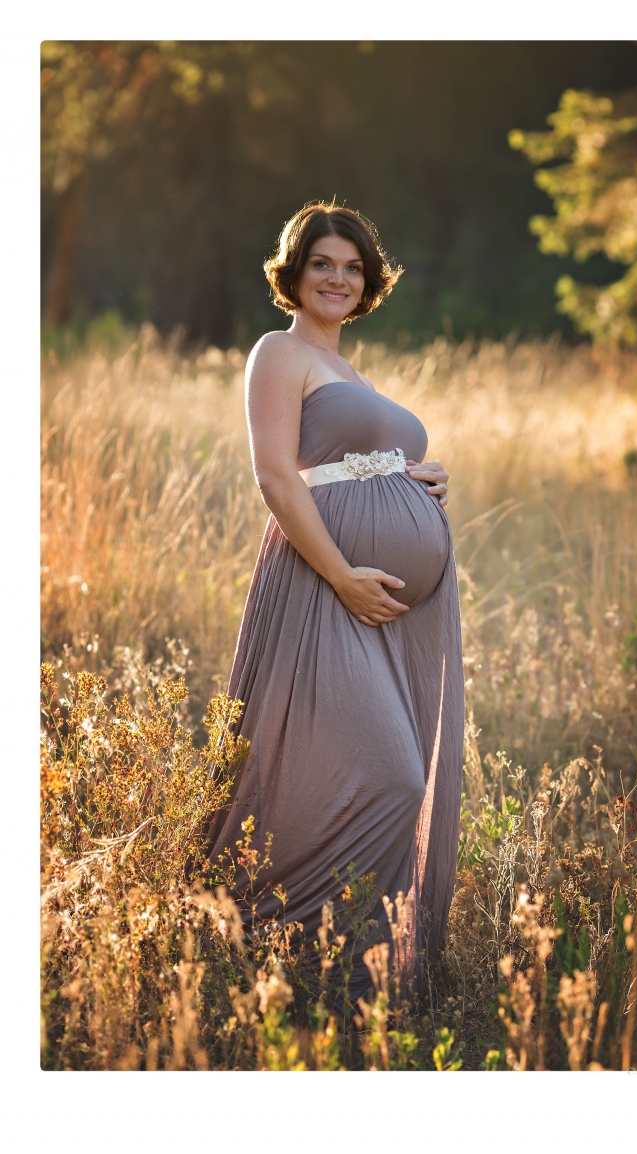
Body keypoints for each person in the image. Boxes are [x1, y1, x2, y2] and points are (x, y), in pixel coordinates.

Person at [206, 203, 463, 1003]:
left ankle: (361, 974)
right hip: (325, 587)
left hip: (392, 608)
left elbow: (346, 460)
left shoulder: (353, 373)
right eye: (323, 263)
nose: (338, 279)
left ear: (369, 281)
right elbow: (278, 477)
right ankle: (296, 949)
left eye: (353, 267)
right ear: (295, 271)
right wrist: (345, 575)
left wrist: (420, 477)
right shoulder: (279, 353)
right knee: (391, 774)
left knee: (381, 767)